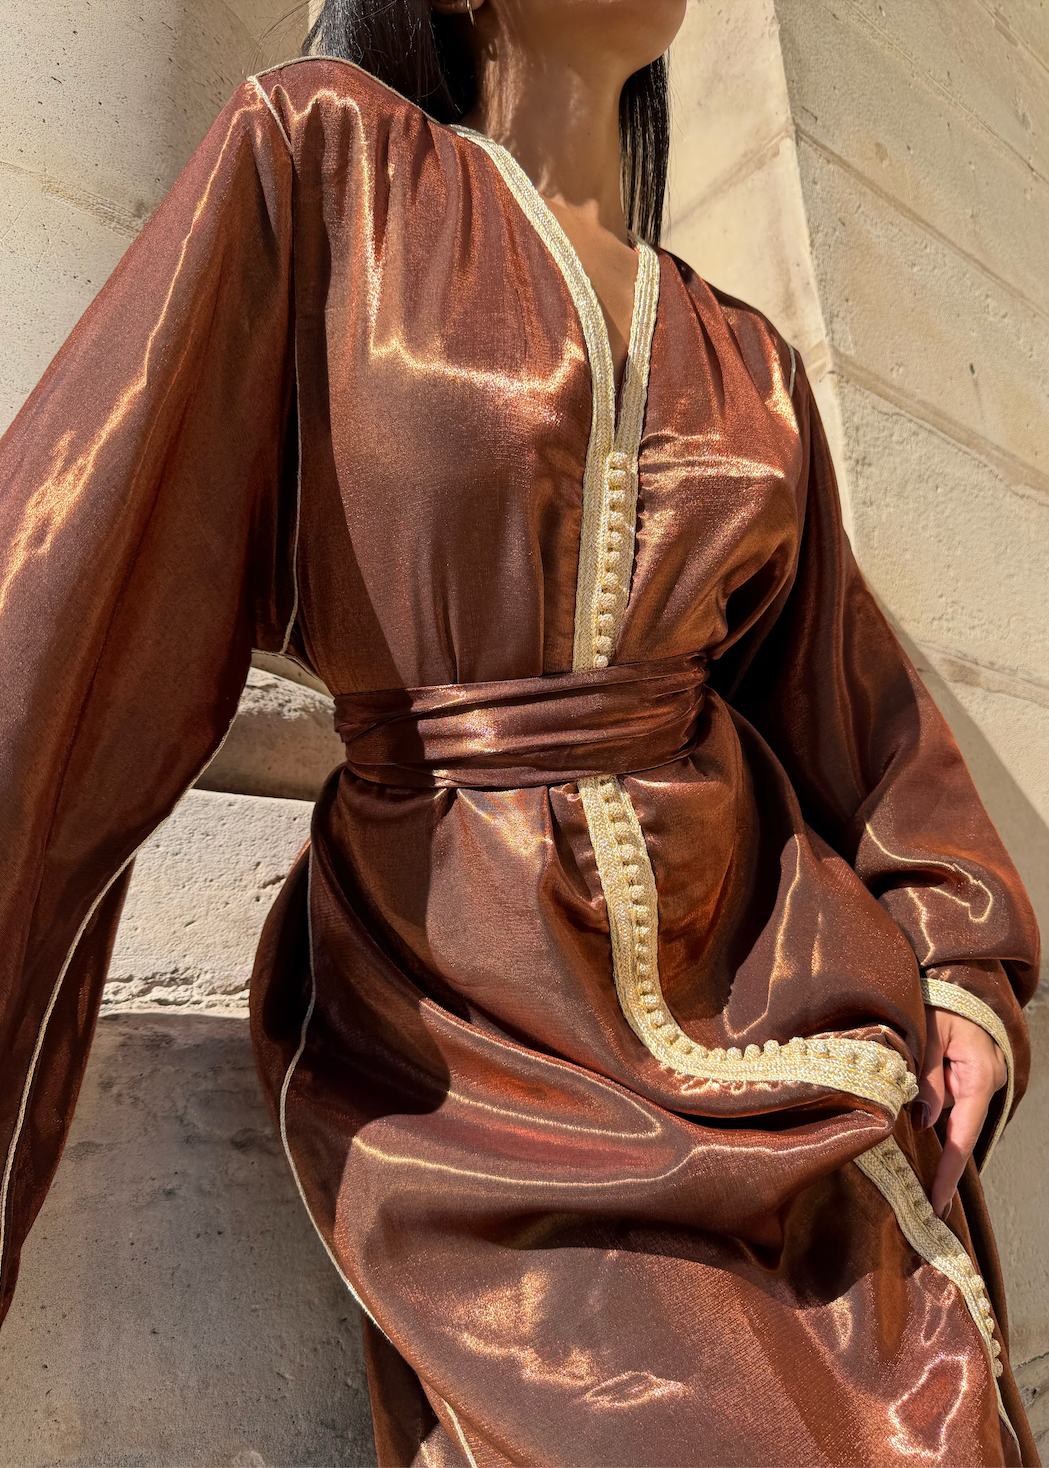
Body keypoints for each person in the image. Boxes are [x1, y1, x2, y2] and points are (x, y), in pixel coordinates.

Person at [0, 0, 1040, 1463]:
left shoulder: (751, 359)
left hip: (770, 991)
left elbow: (853, 705)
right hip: (469, 1016)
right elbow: (67, 591)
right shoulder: (322, 163)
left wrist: (959, 952)